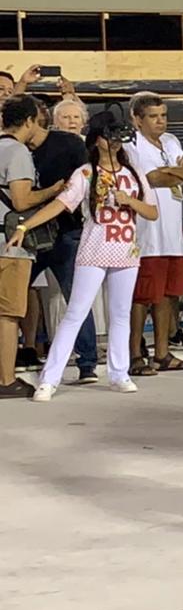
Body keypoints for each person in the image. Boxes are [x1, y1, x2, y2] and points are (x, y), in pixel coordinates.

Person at [20, 113, 160, 401]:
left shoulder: (133, 174)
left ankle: (119, 373)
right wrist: (25, 226)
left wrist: (130, 201)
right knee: (76, 313)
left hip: (126, 251)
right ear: (98, 139)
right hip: (94, 250)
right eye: (112, 136)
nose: (118, 142)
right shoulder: (85, 173)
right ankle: (50, 378)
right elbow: (61, 204)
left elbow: (151, 211)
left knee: (120, 314)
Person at [125, 93, 183, 376]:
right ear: (137, 119)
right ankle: (134, 354)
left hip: (172, 232)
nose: (160, 121)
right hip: (147, 234)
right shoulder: (132, 146)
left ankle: (162, 353)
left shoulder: (171, 141)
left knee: (168, 295)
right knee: (142, 297)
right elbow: (149, 178)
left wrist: (172, 172)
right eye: (154, 116)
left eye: (164, 115)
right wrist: (176, 173)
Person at [0, 96, 67, 398]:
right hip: (10, 243)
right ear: (29, 121)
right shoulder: (17, 153)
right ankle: (5, 379)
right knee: (8, 313)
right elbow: (21, 200)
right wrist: (53, 191)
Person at [28, 101, 97, 382]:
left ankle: (88, 363)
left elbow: (82, 187)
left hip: (65, 233)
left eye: (75, 116)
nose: (71, 120)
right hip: (26, 235)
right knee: (9, 296)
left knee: (77, 298)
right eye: (65, 116)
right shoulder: (13, 148)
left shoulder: (70, 145)